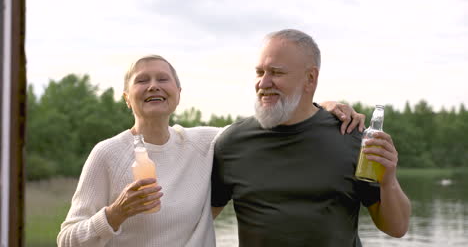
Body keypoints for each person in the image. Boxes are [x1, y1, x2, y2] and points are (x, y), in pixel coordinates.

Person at [57, 54, 365, 246]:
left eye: (163, 79)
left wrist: (321, 107)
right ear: (127, 98)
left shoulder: (206, 142)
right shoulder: (107, 154)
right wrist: (114, 214)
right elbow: (67, 239)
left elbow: (266, 127)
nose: (153, 85)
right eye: (142, 81)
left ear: (177, 93)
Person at [211, 29, 411, 246]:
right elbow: (198, 220)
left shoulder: (350, 136)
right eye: (260, 72)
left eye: (276, 73)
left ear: (310, 78)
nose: (264, 83)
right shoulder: (231, 142)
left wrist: (388, 180)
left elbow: (396, 228)